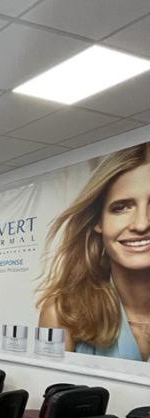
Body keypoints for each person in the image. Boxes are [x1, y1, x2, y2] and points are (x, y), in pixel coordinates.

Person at [37, 143, 150, 361]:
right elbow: (48, 382)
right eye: (121, 207)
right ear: (99, 220)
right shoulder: (62, 312)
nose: (141, 224)